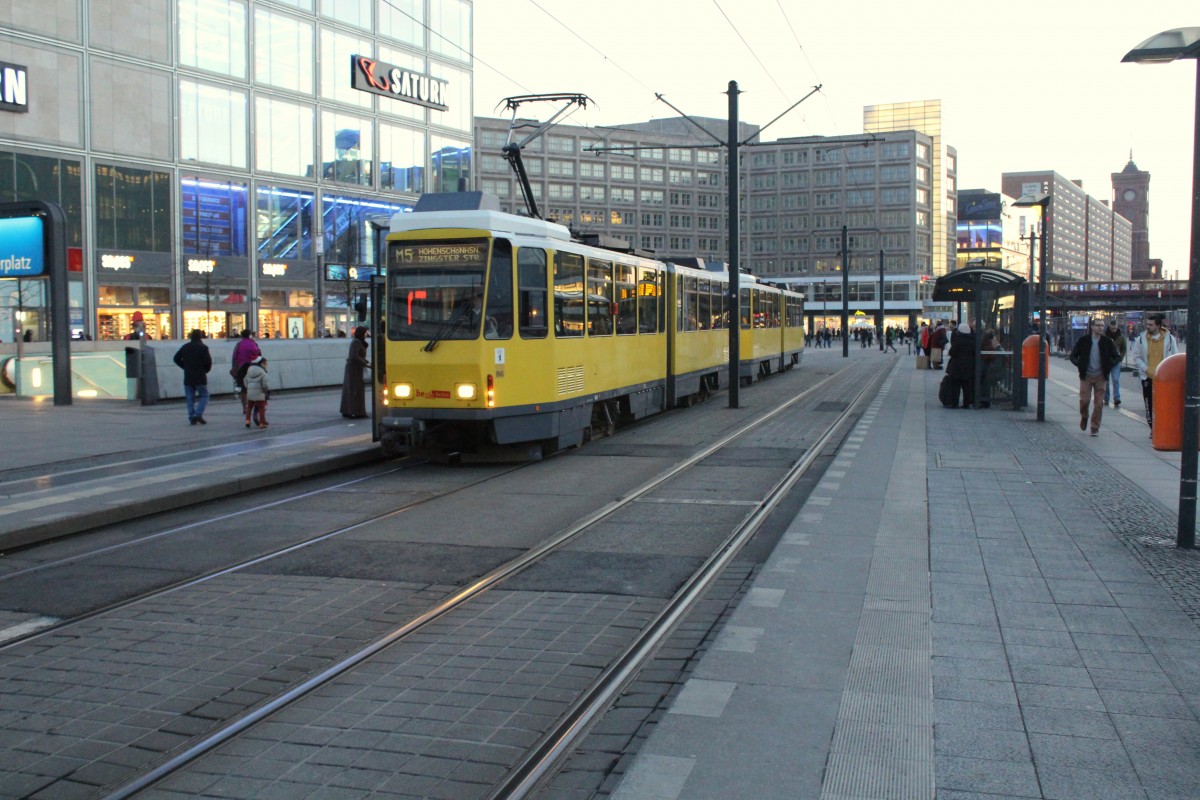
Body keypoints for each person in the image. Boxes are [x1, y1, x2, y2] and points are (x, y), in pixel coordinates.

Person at [1069, 317, 1121, 437]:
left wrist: (1109, 365)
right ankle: (1084, 416)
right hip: (1086, 375)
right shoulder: (1084, 340)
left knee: (1099, 404)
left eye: (1102, 325)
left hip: (1100, 376)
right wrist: (1079, 364)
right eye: (1098, 325)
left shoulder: (1107, 342)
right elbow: (1073, 355)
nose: (1100, 327)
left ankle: (1095, 427)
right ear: (1092, 327)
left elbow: (1117, 356)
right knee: (1084, 400)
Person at [1130, 313, 1180, 437]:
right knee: (1149, 404)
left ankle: (1163, 427)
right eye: (1146, 324)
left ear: (1158, 326)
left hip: (1164, 378)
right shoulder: (1141, 339)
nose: (1147, 327)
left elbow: (1175, 354)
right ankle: (1153, 428)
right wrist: (1145, 369)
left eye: (1150, 325)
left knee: (1163, 404)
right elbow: (1136, 356)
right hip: (1147, 376)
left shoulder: (1169, 338)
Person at [173, 329, 212, 425]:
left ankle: (191, 416)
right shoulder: (203, 348)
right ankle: (198, 414)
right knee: (204, 395)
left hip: (188, 375)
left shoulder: (185, 347)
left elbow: (176, 358)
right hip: (200, 375)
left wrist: (184, 366)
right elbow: (208, 362)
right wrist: (205, 370)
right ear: (200, 337)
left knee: (190, 398)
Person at [340, 326, 371, 419]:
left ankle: (349, 410)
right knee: (355, 391)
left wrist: (365, 363)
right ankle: (357, 412)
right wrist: (366, 363)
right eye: (365, 332)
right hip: (354, 369)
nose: (366, 334)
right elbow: (354, 356)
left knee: (352, 390)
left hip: (355, 368)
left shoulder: (357, 341)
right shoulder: (357, 342)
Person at [231, 329, 261, 419]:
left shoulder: (239, 344)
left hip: (241, 368)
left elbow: (234, 357)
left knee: (243, 389)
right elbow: (258, 354)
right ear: (249, 335)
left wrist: (234, 368)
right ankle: (253, 405)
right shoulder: (253, 344)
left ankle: (245, 407)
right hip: (252, 367)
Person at [946, 321, 976, 408]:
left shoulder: (958, 340)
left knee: (955, 386)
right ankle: (966, 403)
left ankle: (954, 403)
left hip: (957, 366)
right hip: (968, 366)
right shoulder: (972, 341)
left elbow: (952, 352)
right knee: (966, 386)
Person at [1103, 319, 1128, 408]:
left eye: (1115, 328)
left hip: (1116, 361)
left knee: (1115, 379)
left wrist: (1120, 358)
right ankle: (1106, 398)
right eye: (1112, 328)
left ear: (1117, 327)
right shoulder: (1104, 335)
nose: (1113, 330)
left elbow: (1124, 348)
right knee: (1106, 381)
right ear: (1109, 327)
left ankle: (1116, 398)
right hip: (1106, 361)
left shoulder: (1120, 336)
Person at [243, 356, 269, 429]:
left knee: (249, 407)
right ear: (261, 363)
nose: (266, 365)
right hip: (259, 392)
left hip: (250, 392)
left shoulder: (249, 370)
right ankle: (262, 423)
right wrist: (265, 390)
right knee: (261, 408)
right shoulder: (262, 372)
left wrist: (248, 388)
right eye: (265, 363)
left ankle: (247, 420)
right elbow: (265, 384)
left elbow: (245, 380)